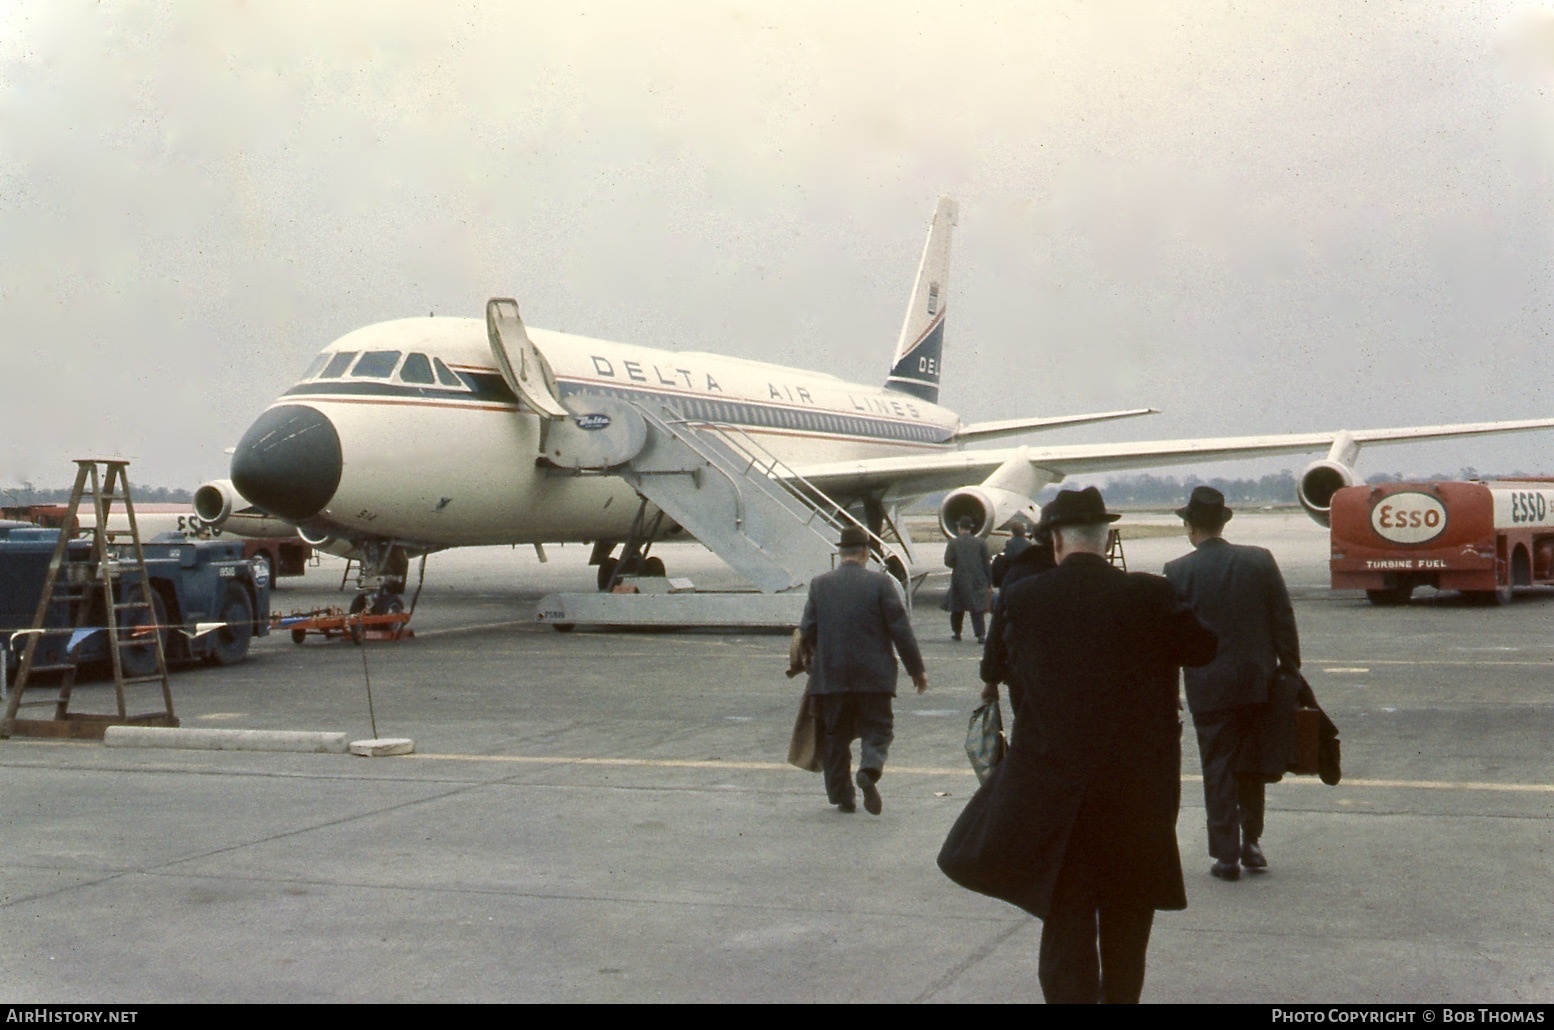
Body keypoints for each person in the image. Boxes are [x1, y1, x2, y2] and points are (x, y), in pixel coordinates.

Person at [956, 486, 1217, 1003]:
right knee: (1127, 919)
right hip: (1136, 794)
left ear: (1055, 541)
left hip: (1056, 795)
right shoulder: (1150, 594)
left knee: (1066, 918)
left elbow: (993, 669)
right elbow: (1204, 647)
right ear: (1106, 538)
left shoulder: (1024, 598)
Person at [1164, 486, 1301, 882]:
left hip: (1208, 687)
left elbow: (1172, 638)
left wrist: (1170, 689)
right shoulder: (1259, 560)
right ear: (1223, 522)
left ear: (1189, 526)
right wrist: (1290, 670)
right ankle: (1251, 842)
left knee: (1218, 766)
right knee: (1252, 764)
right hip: (1258, 681)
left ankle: (1225, 855)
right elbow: (1282, 618)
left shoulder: (1177, 571)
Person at [799, 525, 929, 815]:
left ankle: (843, 797)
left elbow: (807, 629)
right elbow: (900, 629)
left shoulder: (819, 584)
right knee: (878, 729)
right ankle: (868, 770)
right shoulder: (881, 584)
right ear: (866, 554)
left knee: (835, 736)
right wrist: (916, 670)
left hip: (831, 676)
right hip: (874, 676)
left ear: (840, 553)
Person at [979, 524, 1055, 701]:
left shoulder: (1020, 572)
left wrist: (991, 679)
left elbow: (999, 626)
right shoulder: (1100, 579)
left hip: (1026, 674)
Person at [943, 516, 992, 642]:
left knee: (957, 608)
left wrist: (958, 565)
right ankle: (980, 634)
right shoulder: (981, 542)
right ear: (971, 528)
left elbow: (948, 561)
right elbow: (986, 563)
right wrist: (988, 582)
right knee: (977, 609)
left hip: (959, 578)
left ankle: (957, 632)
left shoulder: (953, 543)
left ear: (959, 528)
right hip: (978, 579)